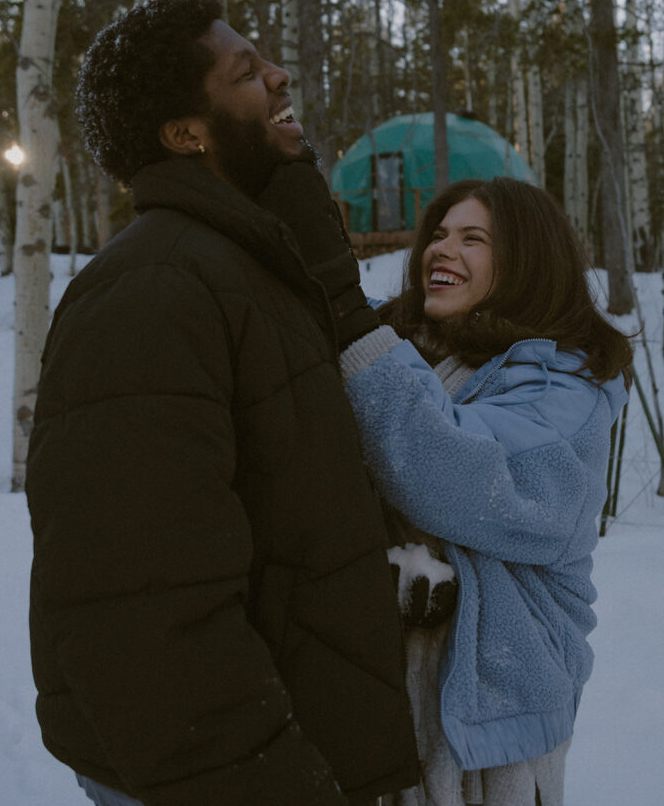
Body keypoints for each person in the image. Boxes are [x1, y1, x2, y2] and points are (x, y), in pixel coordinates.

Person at [25, 0, 419, 806]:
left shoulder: (249, 270)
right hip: (217, 772)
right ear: (186, 133)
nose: (277, 76)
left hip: (281, 738)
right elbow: (141, 603)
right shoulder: (152, 287)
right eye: (245, 72)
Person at [258, 169, 632, 806]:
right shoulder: (408, 355)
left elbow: (457, 474)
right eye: (439, 233)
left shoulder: (568, 388)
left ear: (528, 262)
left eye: (474, 238)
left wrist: (353, 327)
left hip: (489, 746)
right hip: (374, 715)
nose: (442, 248)